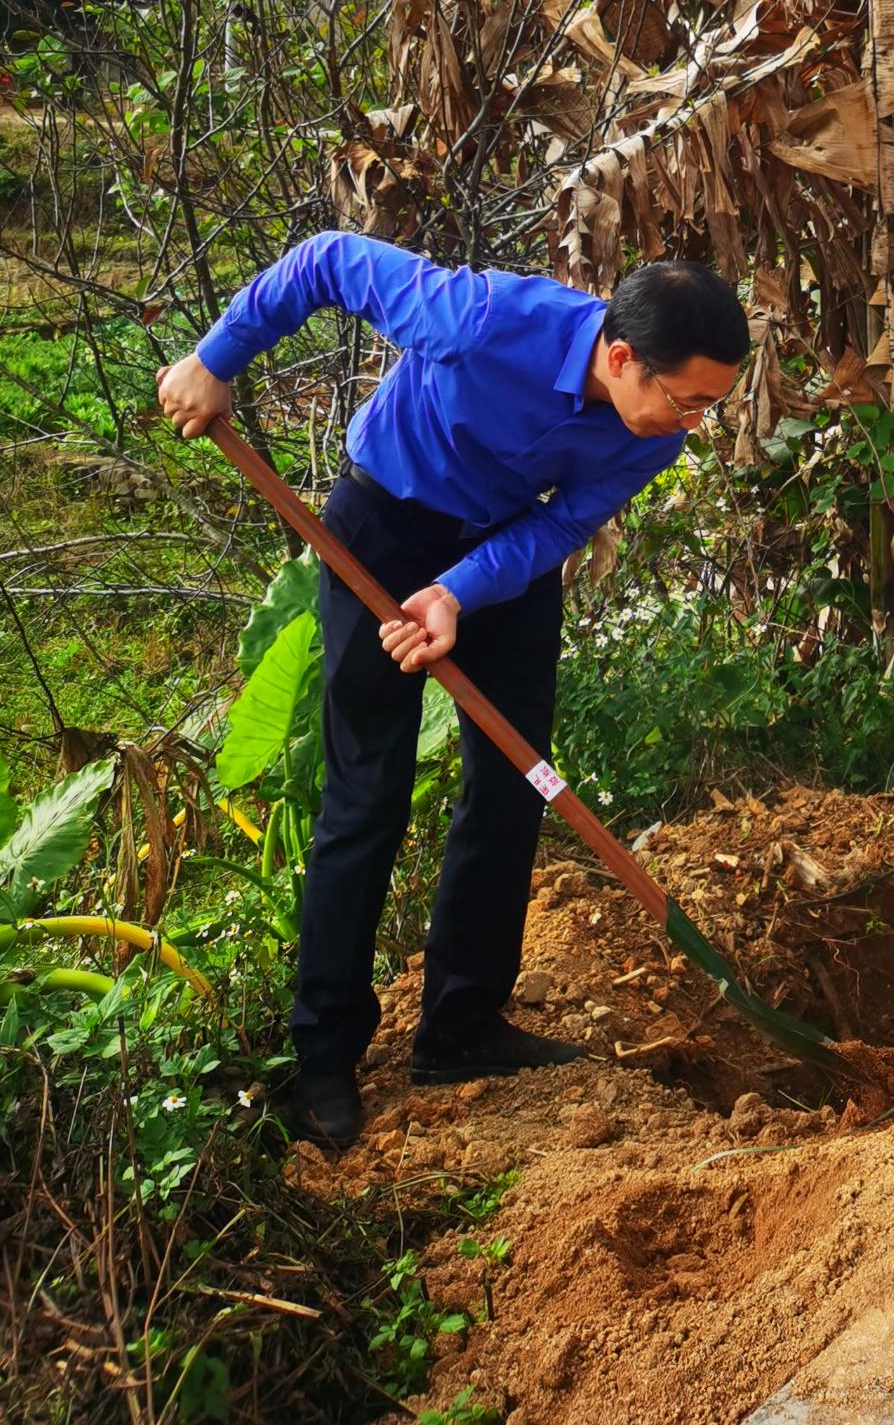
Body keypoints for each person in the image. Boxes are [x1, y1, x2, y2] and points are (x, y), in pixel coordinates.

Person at [157, 239, 749, 1141]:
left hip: (497, 560)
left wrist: (457, 593)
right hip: (383, 525)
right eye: (688, 400)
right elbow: (328, 260)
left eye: (711, 404)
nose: (692, 423)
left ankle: (461, 1026)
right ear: (621, 358)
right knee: (368, 790)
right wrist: (217, 359)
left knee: (515, 782)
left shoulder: (649, 435)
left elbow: (565, 523)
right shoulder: (484, 321)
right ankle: (325, 1053)